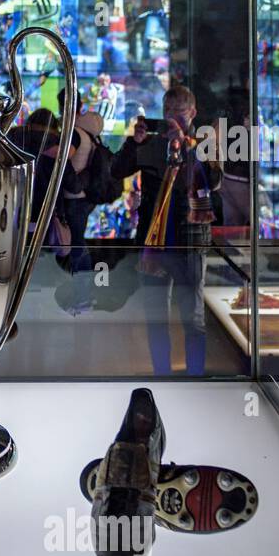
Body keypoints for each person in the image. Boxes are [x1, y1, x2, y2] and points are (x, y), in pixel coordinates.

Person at [112, 85, 218, 375]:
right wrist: (134, 142)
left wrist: (186, 145)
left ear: (193, 113)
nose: (171, 117)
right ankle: (162, 376)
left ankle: (195, 377)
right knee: (156, 319)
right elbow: (117, 171)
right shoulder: (152, 143)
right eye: (167, 111)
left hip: (189, 244)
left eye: (178, 112)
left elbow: (215, 180)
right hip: (154, 244)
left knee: (193, 320)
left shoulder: (204, 142)